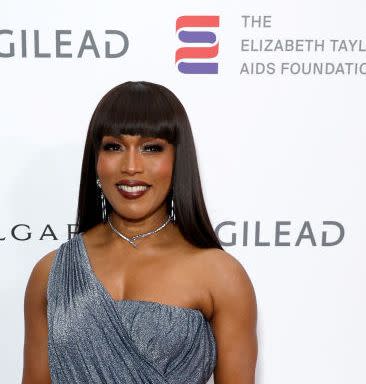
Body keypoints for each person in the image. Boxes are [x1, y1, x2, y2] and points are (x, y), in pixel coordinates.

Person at [22, 81, 257, 384]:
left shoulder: (221, 275)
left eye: (151, 148)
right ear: (96, 161)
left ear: (177, 160)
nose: (131, 166)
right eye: (114, 147)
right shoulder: (51, 272)